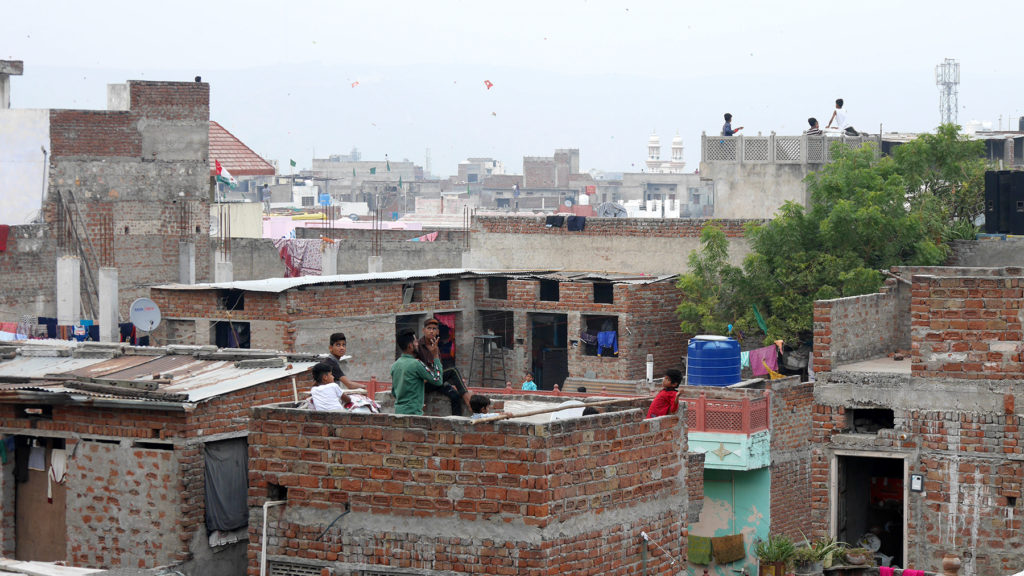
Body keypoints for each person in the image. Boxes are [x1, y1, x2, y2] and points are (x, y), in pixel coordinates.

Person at [391, 330, 443, 415]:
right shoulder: (416, 364)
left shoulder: (395, 365)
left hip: (398, 412)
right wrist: (435, 356)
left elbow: (394, 392)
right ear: (410, 346)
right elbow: (438, 380)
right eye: (415, 342)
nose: (418, 344)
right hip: (413, 413)